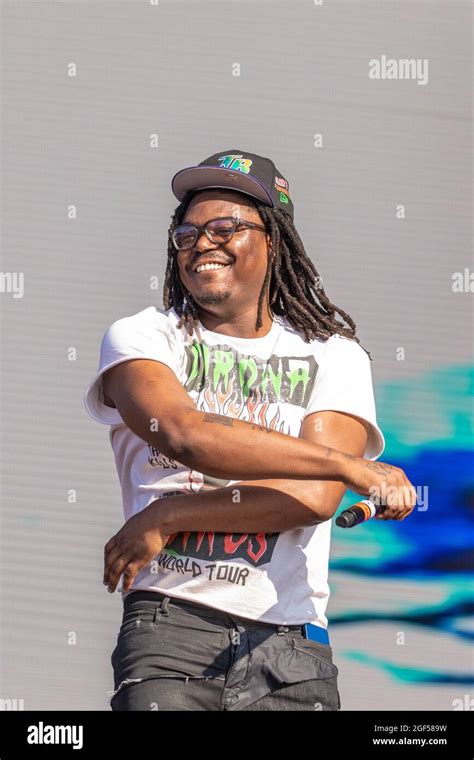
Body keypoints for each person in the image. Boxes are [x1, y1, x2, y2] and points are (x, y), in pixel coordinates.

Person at [84, 149, 416, 711]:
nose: (200, 244)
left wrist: (170, 515)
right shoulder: (143, 338)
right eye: (186, 234)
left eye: (224, 228)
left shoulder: (333, 355)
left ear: (273, 241)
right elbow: (184, 433)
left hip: (290, 642)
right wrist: (349, 465)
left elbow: (313, 498)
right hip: (171, 628)